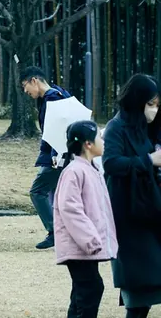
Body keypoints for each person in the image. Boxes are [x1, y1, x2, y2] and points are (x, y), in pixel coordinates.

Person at [103, 74, 161, 317]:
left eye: (157, 105)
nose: (154, 111)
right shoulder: (117, 127)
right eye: (150, 104)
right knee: (138, 290)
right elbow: (111, 163)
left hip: (152, 210)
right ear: (137, 102)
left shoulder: (150, 127)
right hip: (128, 213)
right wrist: (149, 160)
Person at [54, 120, 116, 318]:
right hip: (80, 246)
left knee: (82, 294)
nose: (103, 141)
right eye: (99, 137)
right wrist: (90, 239)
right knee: (91, 290)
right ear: (88, 144)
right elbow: (70, 209)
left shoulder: (92, 170)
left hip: (86, 247)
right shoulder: (74, 171)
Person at [22, 65, 72, 250]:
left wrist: (54, 155)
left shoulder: (53, 99)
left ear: (34, 80)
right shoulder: (58, 94)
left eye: (24, 85)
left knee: (38, 191)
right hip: (62, 154)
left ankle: (56, 232)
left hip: (57, 156)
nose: (25, 91)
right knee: (60, 195)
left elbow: (57, 130)